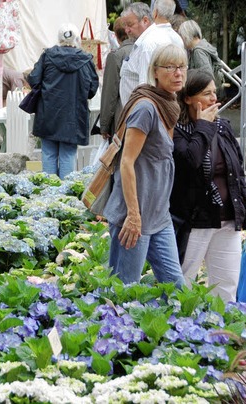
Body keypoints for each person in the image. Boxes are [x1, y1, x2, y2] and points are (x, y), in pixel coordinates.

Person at [102, 44, 188, 287]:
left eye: (182, 67)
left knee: (175, 286)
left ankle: (169, 324)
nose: (178, 73)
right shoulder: (146, 108)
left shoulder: (169, 105)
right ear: (155, 72)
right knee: (124, 289)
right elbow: (126, 163)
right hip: (135, 216)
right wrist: (133, 216)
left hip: (159, 215)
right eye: (170, 67)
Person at [170, 69, 246, 301]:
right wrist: (203, 126)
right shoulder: (177, 131)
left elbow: (237, 173)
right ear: (188, 98)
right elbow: (191, 162)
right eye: (206, 94)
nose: (213, 99)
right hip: (195, 219)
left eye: (214, 93)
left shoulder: (223, 126)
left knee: (227, 285)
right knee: (183, 283)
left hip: (227, 218)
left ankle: (223, 332)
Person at [26, 23, 99, 179]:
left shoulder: (47, 56)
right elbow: (92, 89)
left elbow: (33, 79)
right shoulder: (86, 60)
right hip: (73, 115)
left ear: (59, 38)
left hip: (48, 113)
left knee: (48, 153)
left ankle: (49, 194)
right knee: (68, 155)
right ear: (77, 38)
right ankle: (65, 195)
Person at [119, 0, 184, 105]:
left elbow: (146, 88)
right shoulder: (170, 38)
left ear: (146, 20)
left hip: (142, 114)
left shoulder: (148, 44)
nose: (127, 30)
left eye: (130, 25)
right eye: (125, 25)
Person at [100, 17, 134, 139]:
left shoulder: (115, 56)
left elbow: (110, 92)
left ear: (115, 35)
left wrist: (104, 125)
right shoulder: (143, 50)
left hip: (122, 116)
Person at [178, 20, 224, 97]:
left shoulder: (198, 52)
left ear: (186, 36)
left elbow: (206, 76)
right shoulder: (205, 45)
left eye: (181, 37)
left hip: (204, 94)